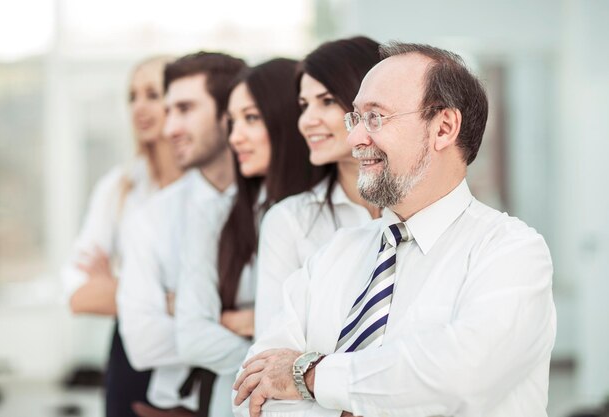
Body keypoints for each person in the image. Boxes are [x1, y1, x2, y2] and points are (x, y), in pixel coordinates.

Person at [233, 42, 556, 417]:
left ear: (443, 128)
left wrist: (309, 375)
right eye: (355, 118)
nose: (355, 138)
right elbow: (252, 392)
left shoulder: (512, 252)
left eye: (375, 117)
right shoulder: (334, 254)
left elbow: (456, 379)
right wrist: (375, 397)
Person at [175, 58, 325, 417]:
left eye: (251, 118)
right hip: (240, 405)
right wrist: (273, 360)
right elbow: (192, 337)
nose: (235, 136)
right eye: (232, 122)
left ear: (287, 119)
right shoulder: (215, 218)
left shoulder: (329, 217)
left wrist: (251, 323)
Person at [116, 52, 246, 417]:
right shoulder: (151, 218)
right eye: (168, 110)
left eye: (185, 109)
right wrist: (244, 324)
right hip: (178, 409)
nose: (169, 127)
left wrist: (192, 313)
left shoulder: (278, 206)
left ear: (229, 114)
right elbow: (143, 343)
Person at [61, 56, 181, 417]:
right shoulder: (118, 187)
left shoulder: (213, 190)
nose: (139, 106)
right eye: (132, 96)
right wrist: (174, 299)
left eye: (152, 94)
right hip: (130, 355)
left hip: (198, 357)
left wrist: (117, 285)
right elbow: (79, 293)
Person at [255, 37, 382, 337]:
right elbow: (272, 347)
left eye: (326, 101)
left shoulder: (422, 210)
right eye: (303, 105)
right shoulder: (290, 220)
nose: (306, 120)